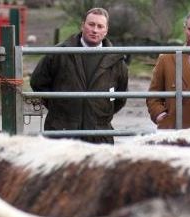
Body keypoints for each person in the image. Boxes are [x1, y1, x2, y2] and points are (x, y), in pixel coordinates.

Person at [30, 7, 128, 144]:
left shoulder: (117, 61)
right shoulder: (59, 53)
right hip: (62, 133)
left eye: (100, 26)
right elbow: (38, 82)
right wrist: (58, 106)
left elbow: (121, 97)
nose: (95, 30)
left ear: (106, 31)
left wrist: (99, 112)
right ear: (83, 25)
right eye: (91, 24)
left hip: (99, 135)